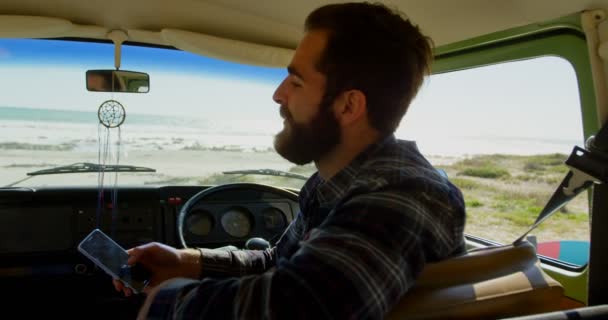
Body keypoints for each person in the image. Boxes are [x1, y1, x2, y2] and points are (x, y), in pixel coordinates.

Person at [114, 2, 466, 319]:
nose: (278, 94)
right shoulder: (333, 183)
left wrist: (166, 303)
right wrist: (186, 263)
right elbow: (277, 263)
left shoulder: (405, 195)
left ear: (349, 106)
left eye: (296, 82)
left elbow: (304, 303)